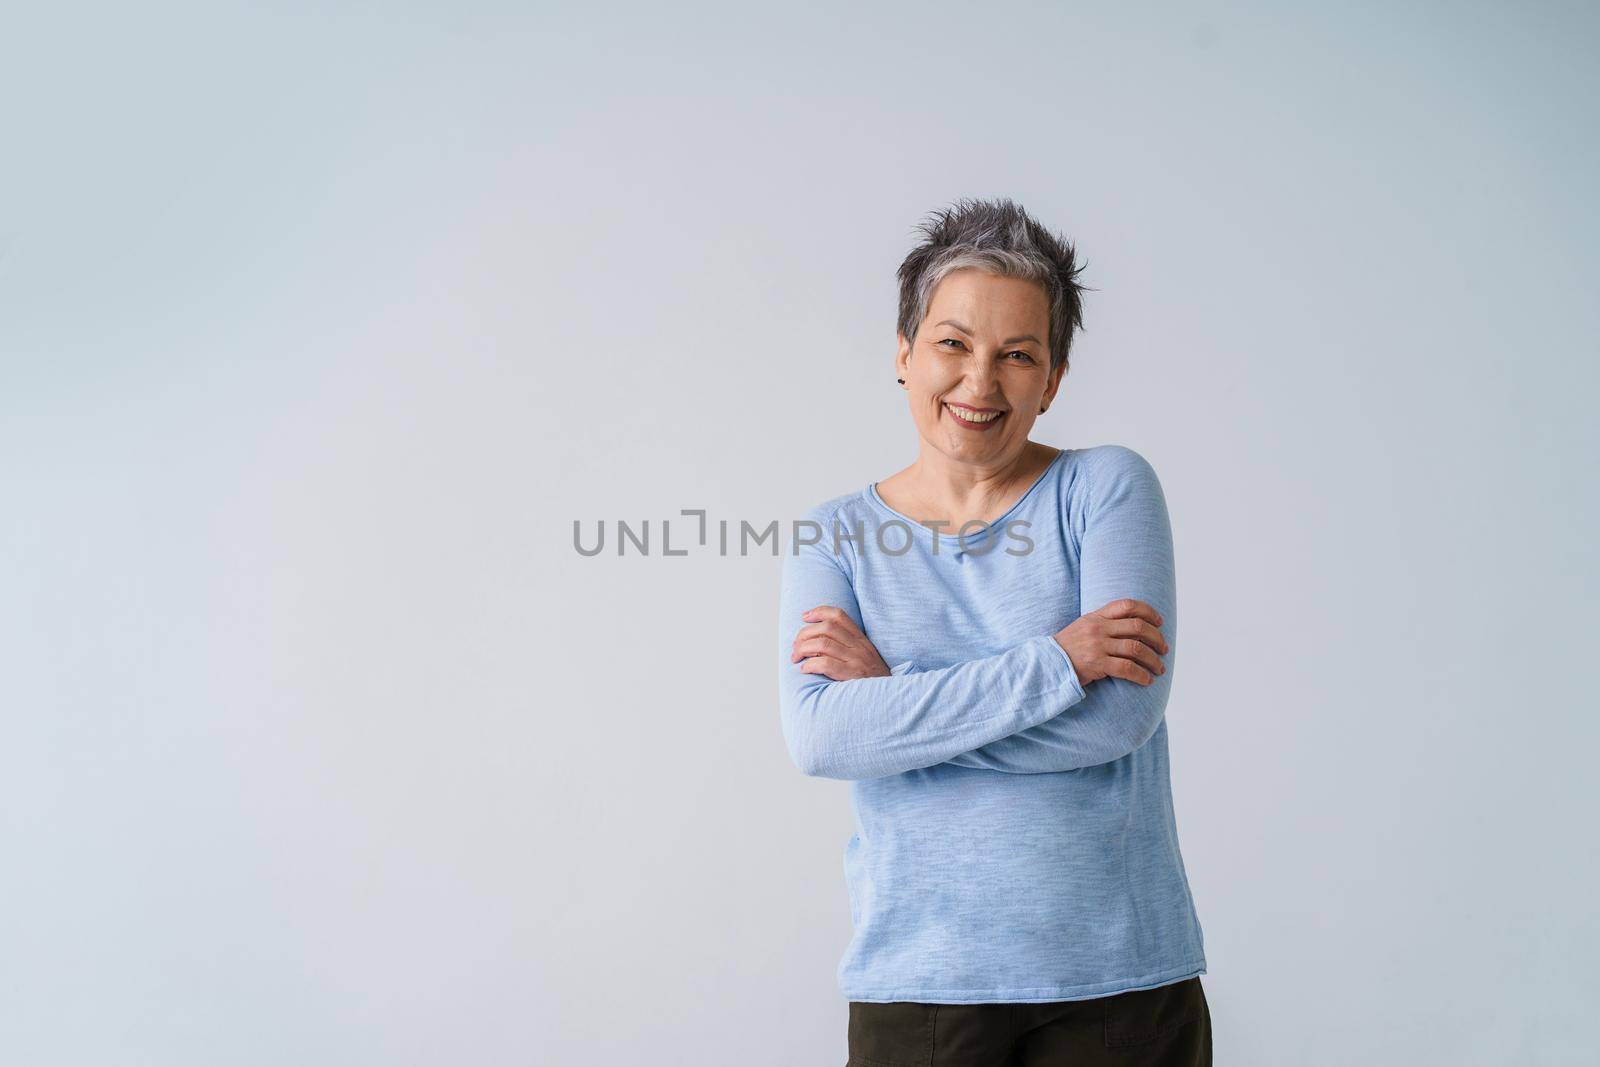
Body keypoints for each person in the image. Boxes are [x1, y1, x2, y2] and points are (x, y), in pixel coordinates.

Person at [776, 197, 1210, 1065]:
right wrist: (1057, 660)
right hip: (921, 982)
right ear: (903, 355)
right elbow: (822, 737)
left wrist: (894, 710)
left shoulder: (1106, 490)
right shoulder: (833, 535)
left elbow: (1118, 720)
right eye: (952, 344)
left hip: (1119, 980)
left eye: (1018, 354)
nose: (981, 381)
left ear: (1051, 380)